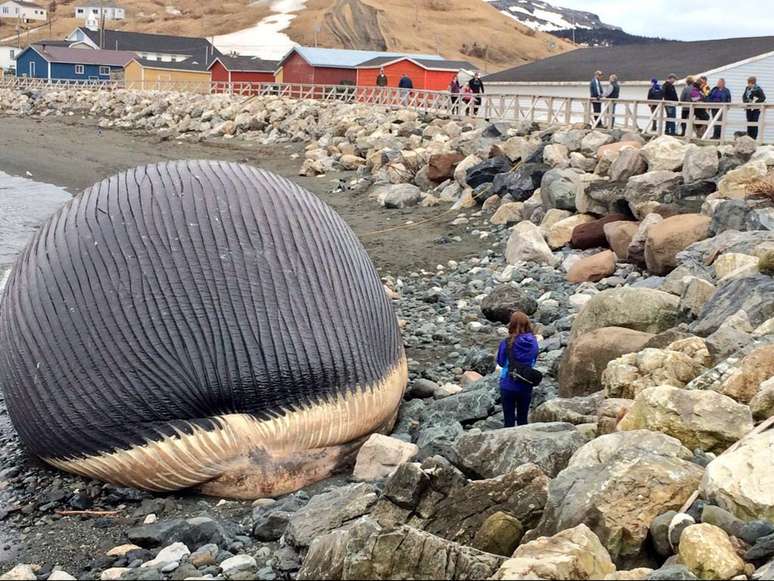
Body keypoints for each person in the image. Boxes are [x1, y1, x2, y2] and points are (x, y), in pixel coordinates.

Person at [496, 311, 539, 428]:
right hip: (526, 383)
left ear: (512, 324)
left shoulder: (506, 342)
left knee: (508, 419)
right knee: (523, 418)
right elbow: (534, 360)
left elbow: (500, 361)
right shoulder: (533, 342)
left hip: (507, 383)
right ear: (527, 324)